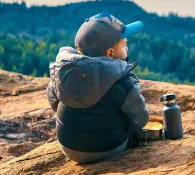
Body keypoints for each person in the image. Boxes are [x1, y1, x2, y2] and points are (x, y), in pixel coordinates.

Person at [46, 12, 149, 164]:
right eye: (124, 43)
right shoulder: (124, 82)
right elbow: (140, 120)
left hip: (67, 145)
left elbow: (53, 102)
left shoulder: (62, 73)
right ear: (110, 53)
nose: (127, 46)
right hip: (109, 148)